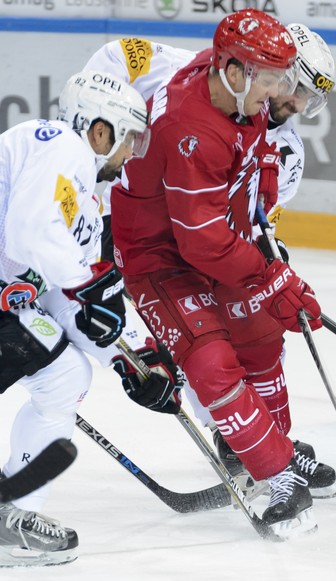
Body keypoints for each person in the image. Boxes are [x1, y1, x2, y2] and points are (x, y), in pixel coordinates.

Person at [84, 22, 336, 499]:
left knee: (253, 337)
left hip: (203, 245)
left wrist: (269, 276)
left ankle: (248, 442)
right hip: (138, 229)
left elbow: (248, 225)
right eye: (295, 86)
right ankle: (244, 444)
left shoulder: (283, 143)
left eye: (307, 94)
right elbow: (116, 57)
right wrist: (105, 173)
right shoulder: (190, 74)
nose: (296, 102)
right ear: (246, 70)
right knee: (189, 352)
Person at [0, 69, 155, 566]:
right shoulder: (58, 144)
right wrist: (91, 285)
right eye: (129, 138)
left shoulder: (86, 197)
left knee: (65, 375)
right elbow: (27, 236)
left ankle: (11, 517)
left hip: (7, 307)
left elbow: (72, 297)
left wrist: (134, 357)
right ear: (100, 130)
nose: (132, 153)